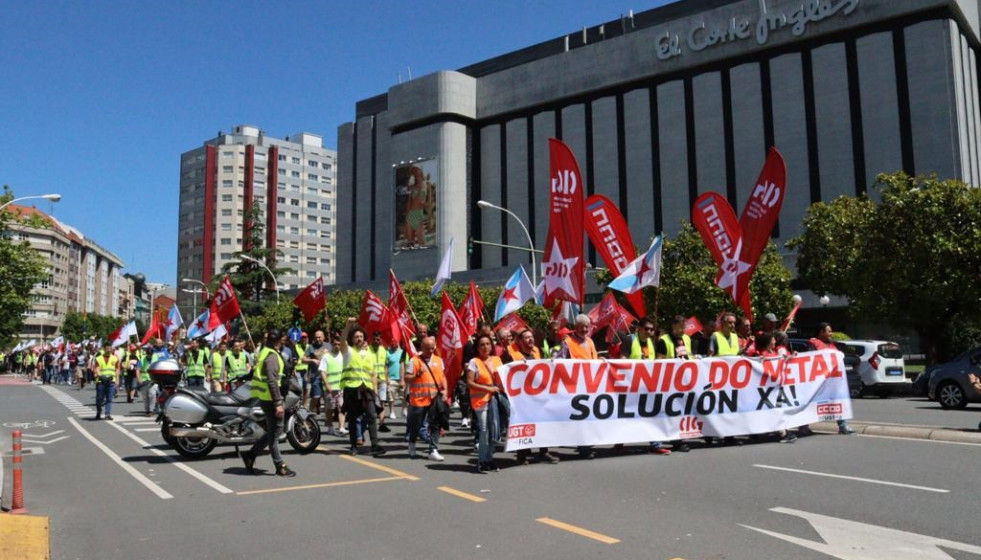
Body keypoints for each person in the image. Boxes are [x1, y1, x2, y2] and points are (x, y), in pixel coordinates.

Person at [239, 329, 296, 477]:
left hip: (266, 398)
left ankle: (250, 455)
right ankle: (280, 466)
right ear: (278, 341)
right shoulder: (271, 356)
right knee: (275, 435)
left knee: (272, 432)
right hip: (271, 400)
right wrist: (278, 402)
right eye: (282, 340)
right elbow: (272, 380)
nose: (283, 342)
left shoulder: (265, 352)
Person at [506, 328, 560, 465]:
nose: (530, 339)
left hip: (538, 396)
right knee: (524, 425)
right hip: (522, 397)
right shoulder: (516, 356)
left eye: (531, 337)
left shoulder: (536, 352)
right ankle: (522, 455)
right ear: (520, 341)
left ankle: (544, 451)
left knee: (542, 423)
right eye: (527, 338)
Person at [338, 318, 386, 456]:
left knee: (371, 416)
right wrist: (348, 325)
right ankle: (353, 446)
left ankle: (375, 445)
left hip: (367, 390)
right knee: (353, 418)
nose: (359, 338)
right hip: (352, 388)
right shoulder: (348, 352)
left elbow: (372, 375)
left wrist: (375, 392)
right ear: (352, 339)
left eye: (361, 336)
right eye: (356, 337)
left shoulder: (369, 354)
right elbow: (342, 341)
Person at [557, 314, 599, 459]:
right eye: (583, 327)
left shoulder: (591, 341)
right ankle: (584, 447)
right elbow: (559, 361)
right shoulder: (567, 343)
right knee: (582, 416)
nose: (585, 329)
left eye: (587, 327)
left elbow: (593, 359)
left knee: (589, 416)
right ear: (576, 327)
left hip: (591, 385)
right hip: (575, 386)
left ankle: (586, 445)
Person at [630, 318, 671, 455]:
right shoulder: (630, 340)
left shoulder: (652, 343)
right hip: (631, 386)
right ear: (639, 328)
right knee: (626, 414)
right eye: (646, 328)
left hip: (648, 385)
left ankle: (656, 444)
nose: (649, 332)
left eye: (651, 329)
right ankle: (619, 443)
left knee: (653, 414)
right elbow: (622, 360)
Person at [466, 334, 505, 473]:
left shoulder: (496, 359)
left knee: (495, 429)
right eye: (482, 344)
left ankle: (489, 458)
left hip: (495, 399)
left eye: (488, 344)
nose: (485, 347)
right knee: (484, 430)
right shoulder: (474, 362)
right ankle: (482, 460)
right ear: (477, 347)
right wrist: (488, 388)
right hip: (480, 401)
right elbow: (469, 382)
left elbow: (503, 378)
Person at [404, 335, 447, 461]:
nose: (430, 351)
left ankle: (433, 450)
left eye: (432, 348)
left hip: (434, 399)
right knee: (416, 425)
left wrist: (445, 391)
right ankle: (412, 444)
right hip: (418, 400)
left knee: (435, 424)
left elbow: (442, 377)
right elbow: (407, 378)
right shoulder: (414, 361)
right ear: (422, 347)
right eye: (427, 348)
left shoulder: (439, 360)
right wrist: (418, 374)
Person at [657, 315, 696, 452]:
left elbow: (688, 355)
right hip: (669, 382)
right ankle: (677, 441)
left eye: (684, 326)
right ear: (673, 326)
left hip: (684, 381)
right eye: (680, 327)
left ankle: (679, 438)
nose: (683, 330)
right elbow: (659, 361)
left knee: (683, 410)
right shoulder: (664, 340)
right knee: (672, 411)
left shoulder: (686, 339)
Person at [808, 323, 855, 435]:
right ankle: (803, 426)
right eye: (829, 331)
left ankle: (843, 425)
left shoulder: (832, 345)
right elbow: (810, 359)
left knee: (837, 400)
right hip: (818, 381)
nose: (831, 333)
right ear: (821, 332)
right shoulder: (813, 344)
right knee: (810, 402)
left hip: (831, 381)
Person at [318, 331, 346, 436]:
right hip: (330, 388)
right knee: (330, 408)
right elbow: (323, 372)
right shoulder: (326, 356)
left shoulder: (343, 356)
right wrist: (327, 384)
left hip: (341, 387)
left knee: (341, 407)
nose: (337, 346)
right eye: (335, 344)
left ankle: (341, 427)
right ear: (332, 344)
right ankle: (330, 426)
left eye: (339, 344)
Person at [302, 330, 331, 417]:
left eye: (320, 337)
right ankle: (307, 414)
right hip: (316, 376)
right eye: (316, 337)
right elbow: (303, 360)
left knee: (327, 398)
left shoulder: (329, 346)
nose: (318, 339)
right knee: (316, 397)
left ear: (323, 337)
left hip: (328, 375)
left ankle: (328, 418)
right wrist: (312, 360)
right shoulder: (311, 347)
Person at [91, 343, 120, 420]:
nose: (109, 350)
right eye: (107, 348)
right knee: (99, 398)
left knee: (109, 398)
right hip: (101, 381)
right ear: (104, 349)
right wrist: (100, 375)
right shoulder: (99, 358)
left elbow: (117, 369)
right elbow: (96, 368)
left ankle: (108, 414)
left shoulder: (115, 358)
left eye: (110, 348)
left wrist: (117, 379)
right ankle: (98, 411)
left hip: (111, 381)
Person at [385, 339, 405, 421]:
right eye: (391, 342)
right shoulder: (387, 352)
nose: (393, 343)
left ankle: (404, 410)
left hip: (401, 378)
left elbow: (405, 365)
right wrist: (387, 378)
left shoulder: (403, 352)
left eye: (395, 342)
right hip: (391, 378)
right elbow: (385, 366)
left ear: (398, 342)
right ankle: (391, 411)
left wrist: (403, 379)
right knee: (391, 397)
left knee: (403, 396)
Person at [294, 332, 311, 408]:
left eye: (305, 337)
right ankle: (298, 403)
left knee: (306, 387)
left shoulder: (309, 347)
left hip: (306, 370)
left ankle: (304, 404)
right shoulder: (296, 346)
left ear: (307, 338)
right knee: (299, 387)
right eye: (302, 338)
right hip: (297, 369)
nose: (304, 339)